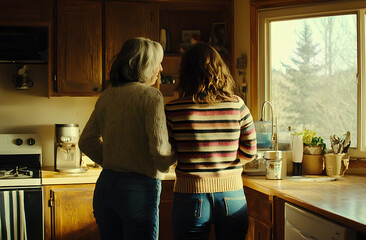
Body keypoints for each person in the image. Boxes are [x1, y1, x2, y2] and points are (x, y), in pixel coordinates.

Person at [79, 37, 176, 240]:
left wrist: (114, 161)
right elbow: (160, 151)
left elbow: (86, 141)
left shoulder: (107, 95)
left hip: (106, 186)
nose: (161, 68)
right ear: (145, 65)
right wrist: (172, 157)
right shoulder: (151, 96)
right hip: (138, 190)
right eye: (158, 62)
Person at [165, 42, 257, 240]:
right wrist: (224, 162)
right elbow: (249, 152)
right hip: (231, 194)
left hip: (190, 193)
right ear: (220, 70)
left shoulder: (173, 109)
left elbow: (169, 152)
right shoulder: (237, 106)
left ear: (185, 73)